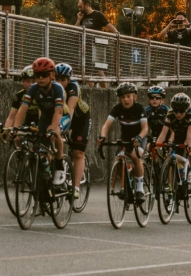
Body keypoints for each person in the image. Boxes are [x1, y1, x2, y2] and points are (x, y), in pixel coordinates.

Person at [12, 57, 66, 187]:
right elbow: (22, 109)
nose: (40, 78)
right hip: (45, 118)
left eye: (44, 75)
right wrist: (15, 128)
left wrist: (53, 129)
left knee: (56, 132)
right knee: (41, 151)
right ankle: (45, 177)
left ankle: (59, 166)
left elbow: (58, 112)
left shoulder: (57, 88)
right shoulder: (34, 88)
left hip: (63, 116)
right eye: (37, 75)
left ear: (52, 75)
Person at [97, 83, 148, 204]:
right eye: (123, 97)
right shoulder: (117, 109)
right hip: (124, 139)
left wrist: (139, 138)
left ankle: (140, 190)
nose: (125, 99)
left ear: (135, 97)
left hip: (139, 138)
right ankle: (127, 179)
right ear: (119, 98)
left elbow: (145, 129)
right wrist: (102, 137)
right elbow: (106, 125)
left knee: (136, 157)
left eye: (128, 96)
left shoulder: (140, 109)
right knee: (118, 160)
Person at [55, 63, 91, 201]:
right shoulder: (51, 88)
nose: (59, 82)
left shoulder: (73, 87)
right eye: (56, 79)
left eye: (62, 79)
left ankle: (75, 188)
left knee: (78, 152)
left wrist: (62, 127)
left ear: (69, 80)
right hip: (60, 118)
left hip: (80, 119)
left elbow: (70, 111)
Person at [156, 93, 191, 186]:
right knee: (172, 156)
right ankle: (172, 185)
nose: (178, 114)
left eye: (181, 111)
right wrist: (155, 147)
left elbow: (189, 136)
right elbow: (163, 134)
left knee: (189, 143)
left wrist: (190, 149)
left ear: (186, 110)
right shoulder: (170, 115)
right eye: (176, 111)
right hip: (178, 135)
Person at [2, 65, 40, 131]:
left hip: (42, 120)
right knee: (17, 138)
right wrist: (6, 130)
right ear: (22, 82)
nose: (30, 84)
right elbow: (11, 117)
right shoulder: (19, 95)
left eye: (33, 81)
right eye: (27, 81)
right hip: (28, 121)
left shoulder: (41, 94)